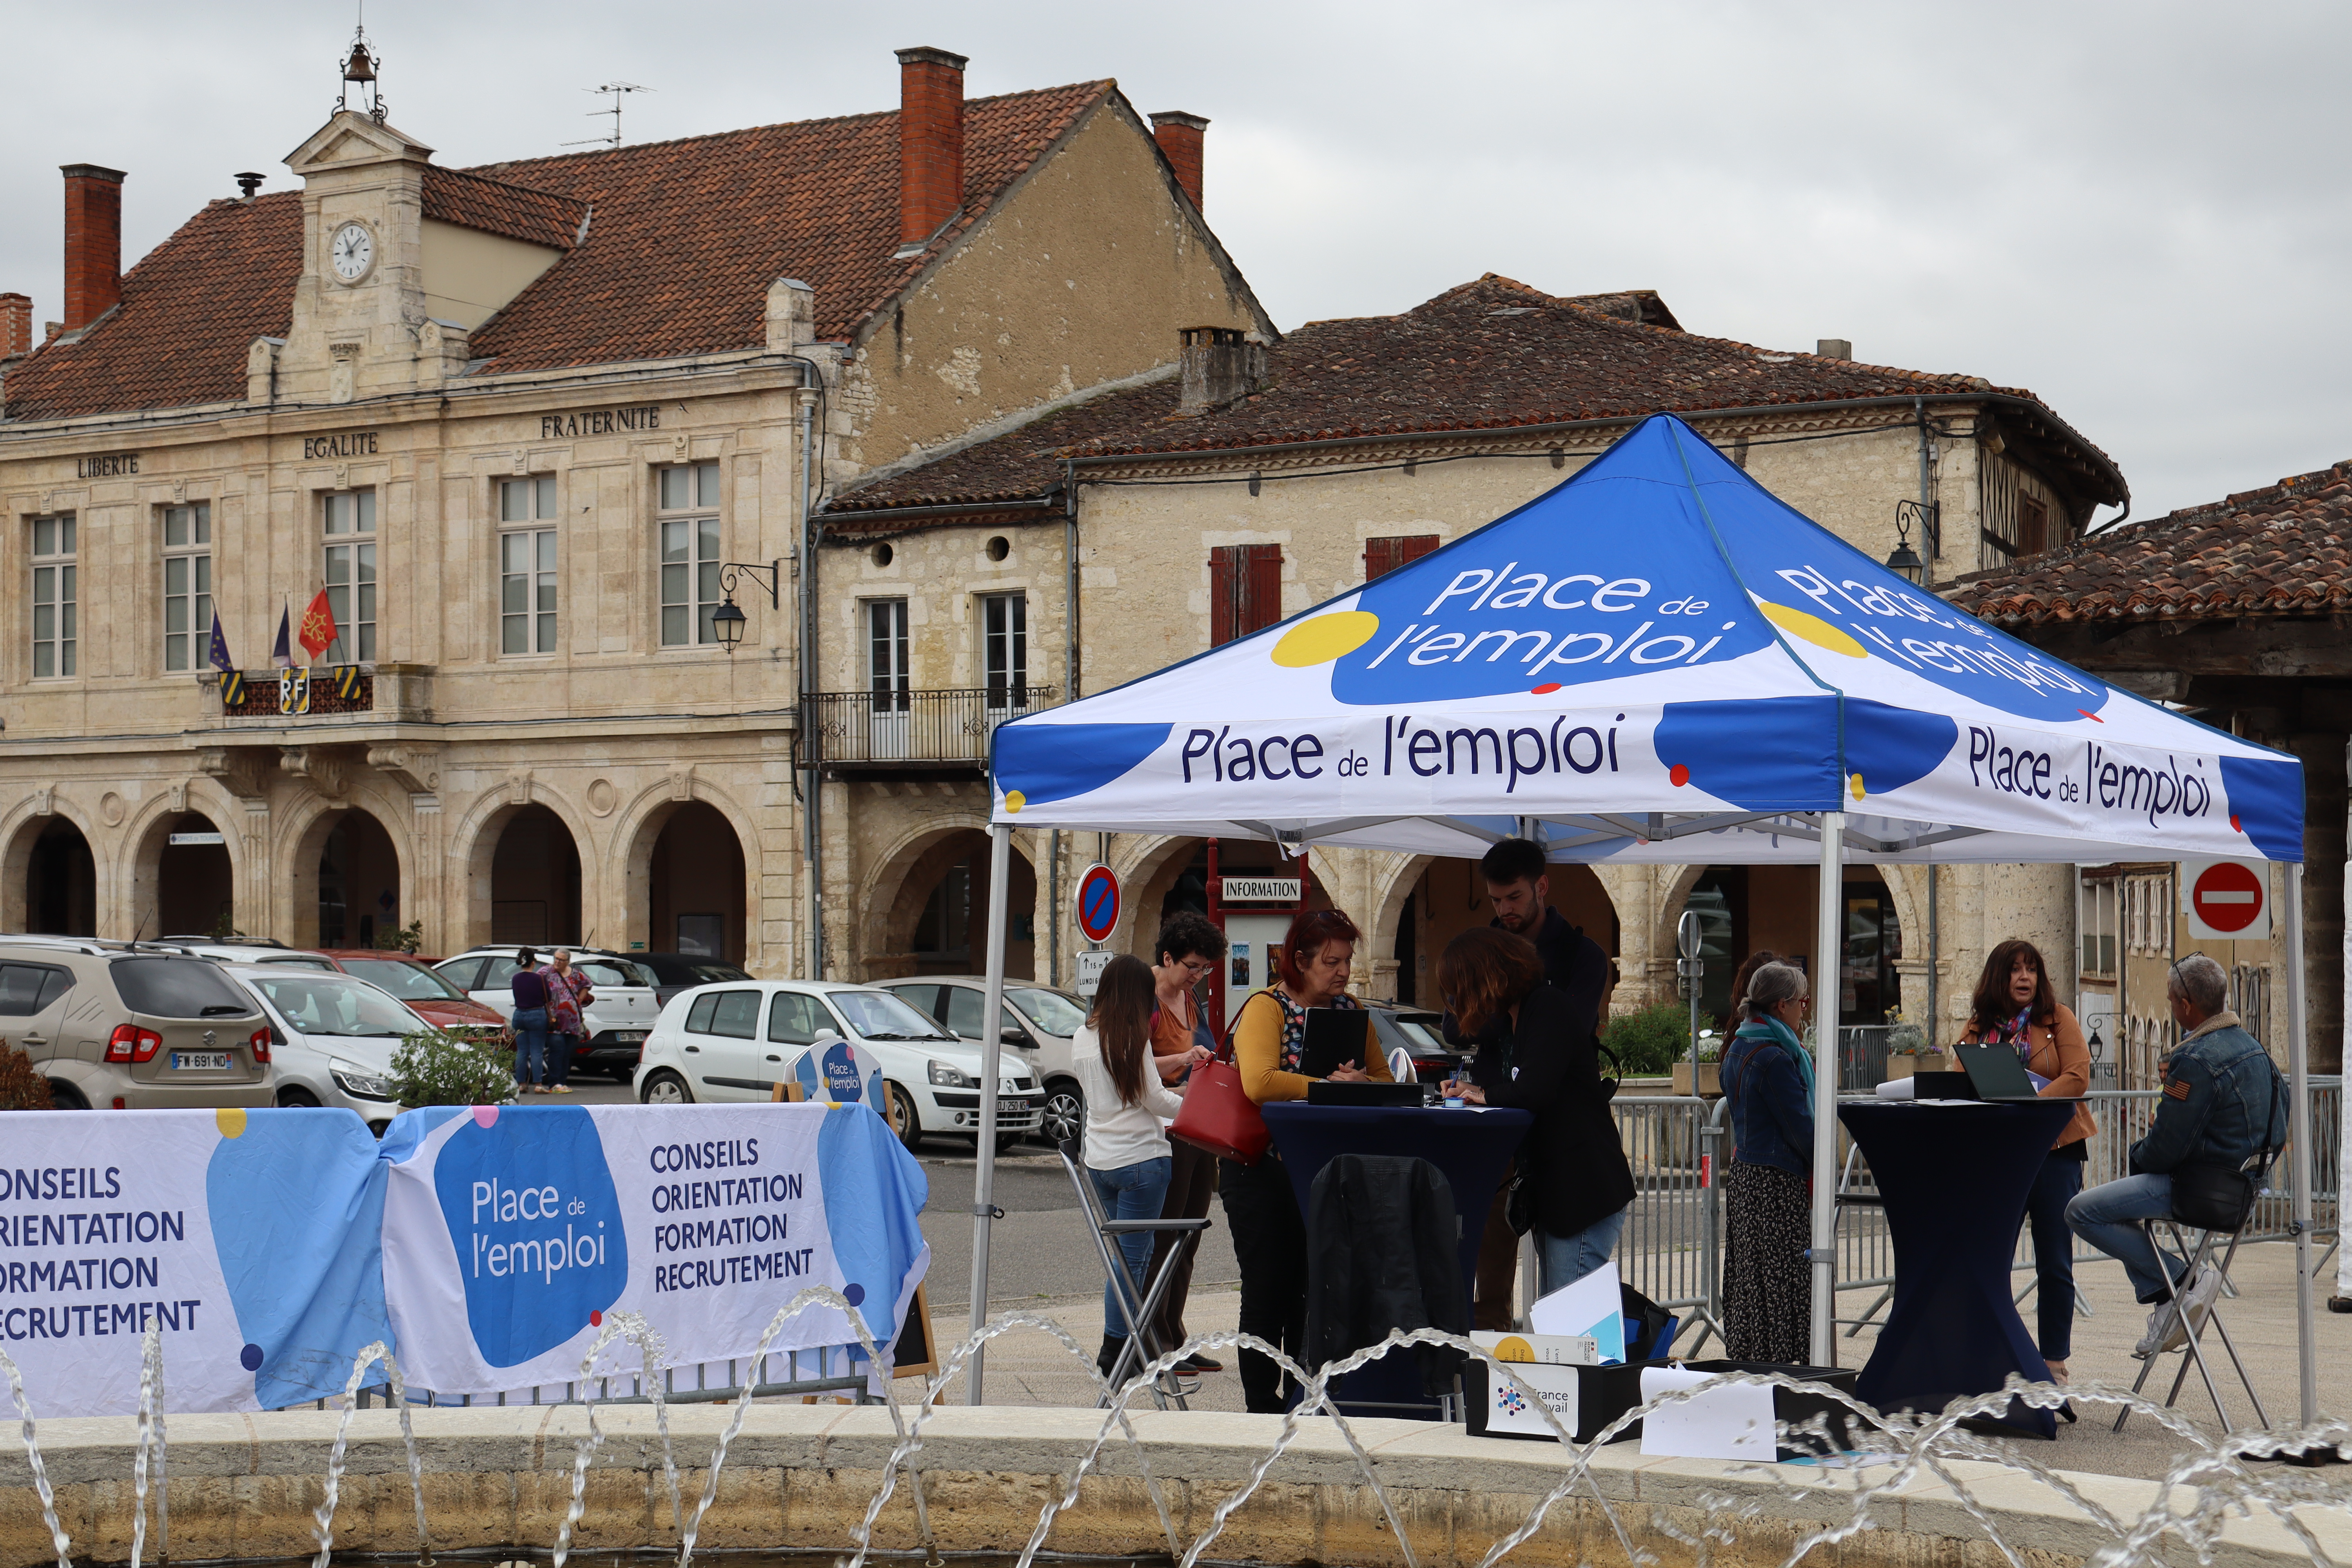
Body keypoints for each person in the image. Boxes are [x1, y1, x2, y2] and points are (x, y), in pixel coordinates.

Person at [2066, 952, 2286, 1360]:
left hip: (2197, 1189)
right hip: (2241, 1193)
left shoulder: (2195, 1058)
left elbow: (2165, 1146)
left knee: (2081, 1211)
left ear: (2186, 1006)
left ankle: (2181, 1280)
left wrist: (2135, 1159)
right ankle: (2170, 1300)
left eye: (2170, 999)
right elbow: (2281, 1125)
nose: (2170, 1007)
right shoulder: (2258, 1052)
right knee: (2119, 1209)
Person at [1221, 906, 1394, 1413]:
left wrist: (1360, 1084)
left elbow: (1384, 1081)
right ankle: (1259, 1401)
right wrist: (1328, 1087)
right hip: (1260, 1170)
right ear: (1299, 960)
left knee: (1310, 1288)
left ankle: (1300, 1393)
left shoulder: (1350, 1011)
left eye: (1346, 960)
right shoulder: (1266, 1007)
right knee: (1266, 1289)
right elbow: (1259, 1082)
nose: (1342, 972)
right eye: (1331, 962)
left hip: (1319, 1173)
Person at [1462, 838, 1612, 1328]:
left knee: (1568, 1300)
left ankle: (1574, 1391)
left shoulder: (1578, 956)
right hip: (1507, 1139)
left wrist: (1506, 1016)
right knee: (1501, 1265)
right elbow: (1457, 1025)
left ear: (1541, 886)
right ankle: (1500, 1362)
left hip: (1562, 1144)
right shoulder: (1485, 948)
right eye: (1496, 900)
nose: (1504, 909)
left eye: (1515, 898)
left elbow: (1563, 1035)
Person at [1437, 927, 1635, 1296]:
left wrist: (1482, 1094)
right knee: (1559, 1318)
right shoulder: (1518, 1016)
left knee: (1570, 1321)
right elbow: (1518, 1084)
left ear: (1488, 978)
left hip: (1582, 1191)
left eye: (1464, 989)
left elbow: (1534, 1089)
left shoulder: (1545, 1005)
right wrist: (1476, 1091)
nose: (1465, 1003)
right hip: (1560, 1193)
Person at [1957, 939, 2094, 1381]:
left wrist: (2029, 1100)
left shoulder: (2059, 1019)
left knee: (2054, 1261)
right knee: (1988, 1259)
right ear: (1999, 976)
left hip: (2055, 1152)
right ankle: (1990, 1355)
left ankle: (2054, 1363)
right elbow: (1958, 1079)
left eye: (2032, 969)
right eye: (2015, 969)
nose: (2025, 977)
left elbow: (2077, 1076)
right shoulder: (1979, 1027)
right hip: (2000, 1157)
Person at [1073, 954, 1189, 1380]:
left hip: (1101, 1159)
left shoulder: (1082, 1037)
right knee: (1134, 1262)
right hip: (1142, 1158)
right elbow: (1153, 1100)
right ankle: (1118, 1351)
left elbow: (1111, 1094)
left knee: (1120, 1261)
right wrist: (1195, 1103)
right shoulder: (1132, 1037)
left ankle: (1123, 1347)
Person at [1719, 962, 1815, 1364]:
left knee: (1752, 1279)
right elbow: (1801, 1130)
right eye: (1801, 1002)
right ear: (1781, 1005)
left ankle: (1751, 1356)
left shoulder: (1740, 1044)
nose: (1805, 1011)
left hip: (1746, 1175)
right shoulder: (1775, 1058)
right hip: (1775, 1182)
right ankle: (1781, 1361)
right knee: (1780, 1278)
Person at [1146, 910, 1225, 1376]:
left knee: (1190, 1233)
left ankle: (1174, 1334)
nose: (1198, 976)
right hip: (1162, 1130)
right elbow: (1134, 1066)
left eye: (1206, 969)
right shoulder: (1145, 997)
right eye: (1192, 966)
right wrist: (1184, 1057)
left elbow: (1205, 1049)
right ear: (1168, 956)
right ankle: (1153, 1337)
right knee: (1165, 1235)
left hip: (1194, 1124)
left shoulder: (1189, 996)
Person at [537, 949, 591, 1095]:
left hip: (572, 1021)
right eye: (556, 958)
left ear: (568, 962)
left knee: (567, 1052)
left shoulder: (575, 974)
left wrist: (579, 1001)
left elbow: (587, 984)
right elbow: (536, 985)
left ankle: (563, 1082)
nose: (558, 962)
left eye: (561, 960)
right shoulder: (546, 972)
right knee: (557, 1049)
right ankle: (554, 1083)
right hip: (554, 1020)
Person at [509, 947, 552, 1094]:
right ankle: (538, 1084)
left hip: (519, 1015)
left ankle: (521, 1084)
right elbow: (549, 997)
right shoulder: (539, 978)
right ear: (533, 963)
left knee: (522, 1051)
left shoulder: (515, 978)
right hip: (537, 1015)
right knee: (537, 1051)